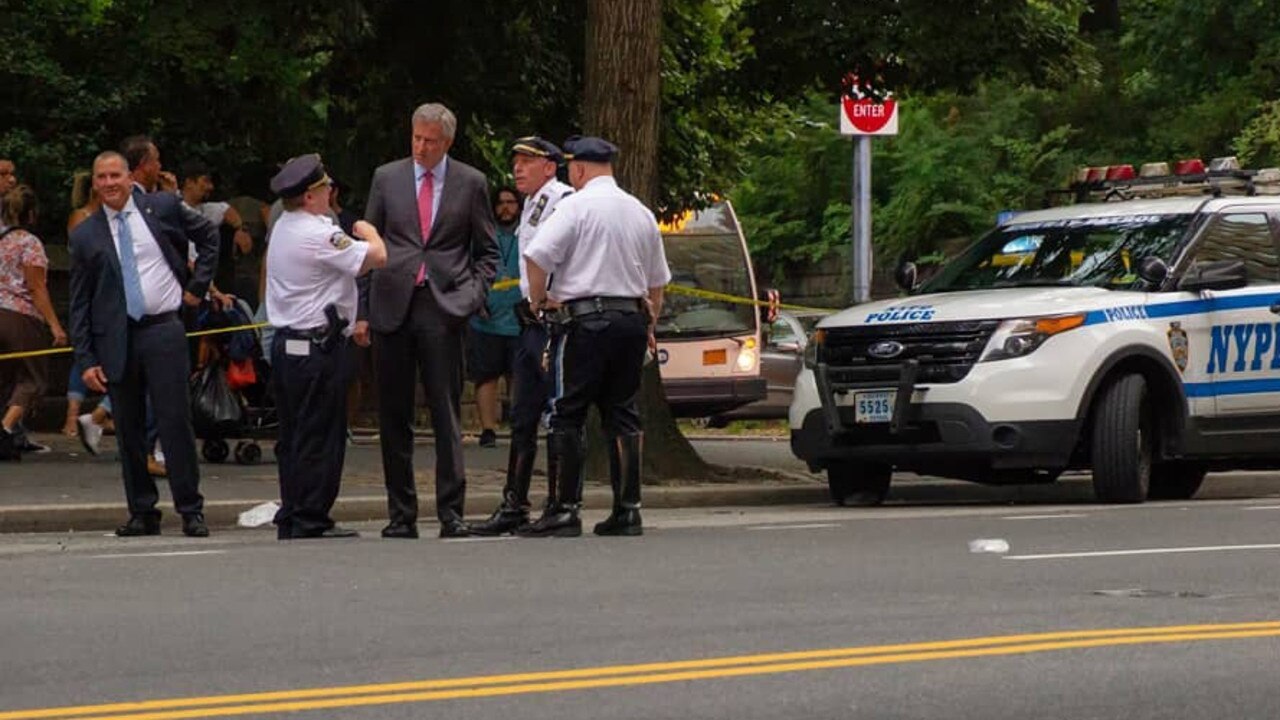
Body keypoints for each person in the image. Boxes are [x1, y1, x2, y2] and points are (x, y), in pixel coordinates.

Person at [518, 136, 671, 538]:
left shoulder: (575, 206)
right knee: (622, 412)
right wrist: (650, 325)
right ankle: (628, 509)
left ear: (580, 169)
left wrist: (538, 301)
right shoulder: (640, 212)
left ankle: (565, 509)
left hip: (585, 322)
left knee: (568, 411)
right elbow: (657, 282)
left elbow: (537, 254)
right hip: (631, 321)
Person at [361, 102, 499, 540]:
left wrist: (472, 295)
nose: (421, 147)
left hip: (444, 305)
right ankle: (401, 513)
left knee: (445, 412)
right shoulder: (386, 178)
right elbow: (368, 245)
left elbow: (489, 252)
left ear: (448, 142)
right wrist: (363, 311)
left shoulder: (471, 182)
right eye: (416, 138)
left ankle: (450, 512)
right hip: (392, 302)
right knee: (394, 414)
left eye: (430, 141)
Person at [68, 150, 218, 537]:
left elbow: (208, 236)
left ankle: (190, 509)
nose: (108, 184)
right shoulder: (86, 234)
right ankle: (142, 510)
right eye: (101, 177)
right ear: (94, 183)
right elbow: (80, 301)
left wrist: (197, 289)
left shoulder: (163, 208)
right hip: (117, 338)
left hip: (163, 329)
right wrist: (86, 358)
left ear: (129, 178)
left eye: (115, 175)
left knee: (174, 422)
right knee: (130, 429)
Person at [265, 154, 387, 540]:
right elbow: (375, 258)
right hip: (316, 347)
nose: (329, 191)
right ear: (309, 196)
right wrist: (368, 230)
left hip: (289, 346)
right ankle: (310, 515)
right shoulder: (317, 233)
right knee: (321, 434)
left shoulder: (284, 225)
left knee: (295, 434)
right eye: (324, 187)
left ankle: (293, 508)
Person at [471, 138, 574, 536]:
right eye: (515, 161)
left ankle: (559, 504)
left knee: (557, 413)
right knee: (523, 414)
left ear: (550, 166)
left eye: (527, 161)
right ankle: (515, 503)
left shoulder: (562, 200)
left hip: (551, 319)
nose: (517, 168)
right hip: (529, 320)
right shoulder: (533, 203)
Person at [0, 185, 68, 460]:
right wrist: (55, 325)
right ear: (31, 213)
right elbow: (37, 288)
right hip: (20, 315)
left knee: (5, 377)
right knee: (33, 377)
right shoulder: (29, 243)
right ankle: (5, 428)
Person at [468, 186, 522, 449]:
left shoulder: (528, 234)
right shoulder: (483, 234)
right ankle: (488, 428)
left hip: (519, 319)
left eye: (511, 202)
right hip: (485, 317)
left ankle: (518, 424)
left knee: (519, 375)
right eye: (501, 203)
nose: (506, 208)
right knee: (486, 376)